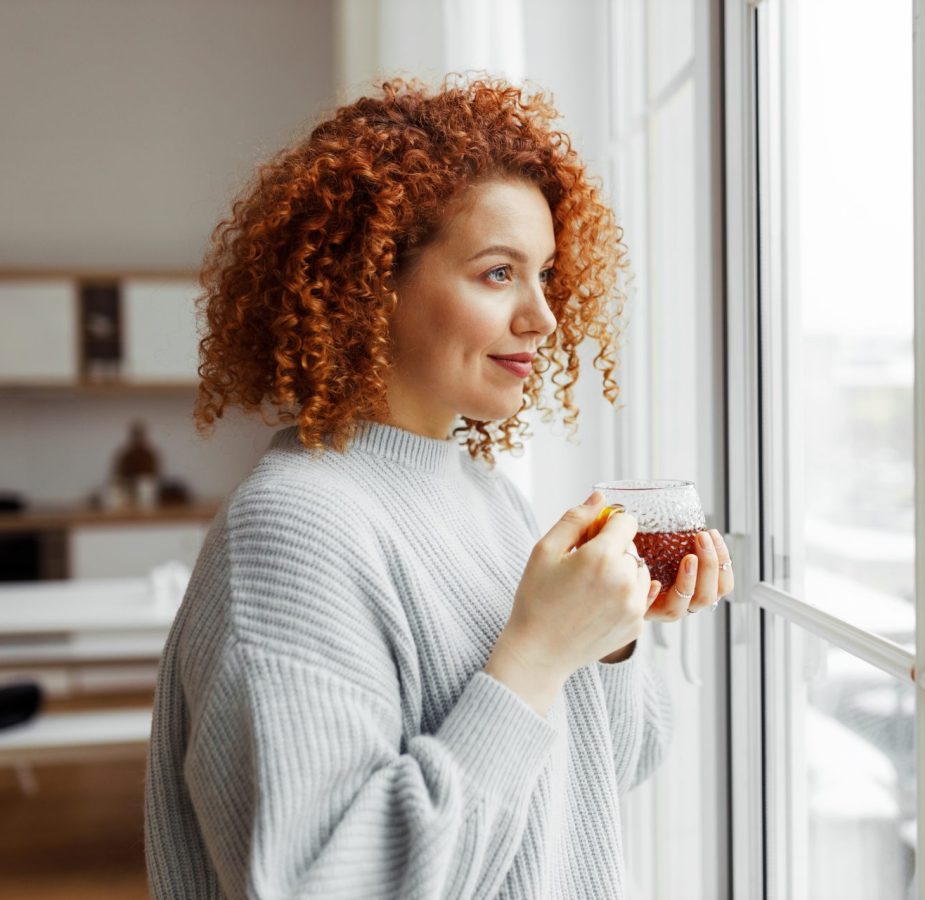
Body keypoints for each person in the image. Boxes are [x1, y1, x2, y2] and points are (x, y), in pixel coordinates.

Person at [143, 74, 735, 899]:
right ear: (370, 282)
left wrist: (608, 635)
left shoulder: (489, 499)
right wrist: (532, 653)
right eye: (499, 274)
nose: (545, 316)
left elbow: (605, 773)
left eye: (546, 275)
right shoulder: (292, 532)